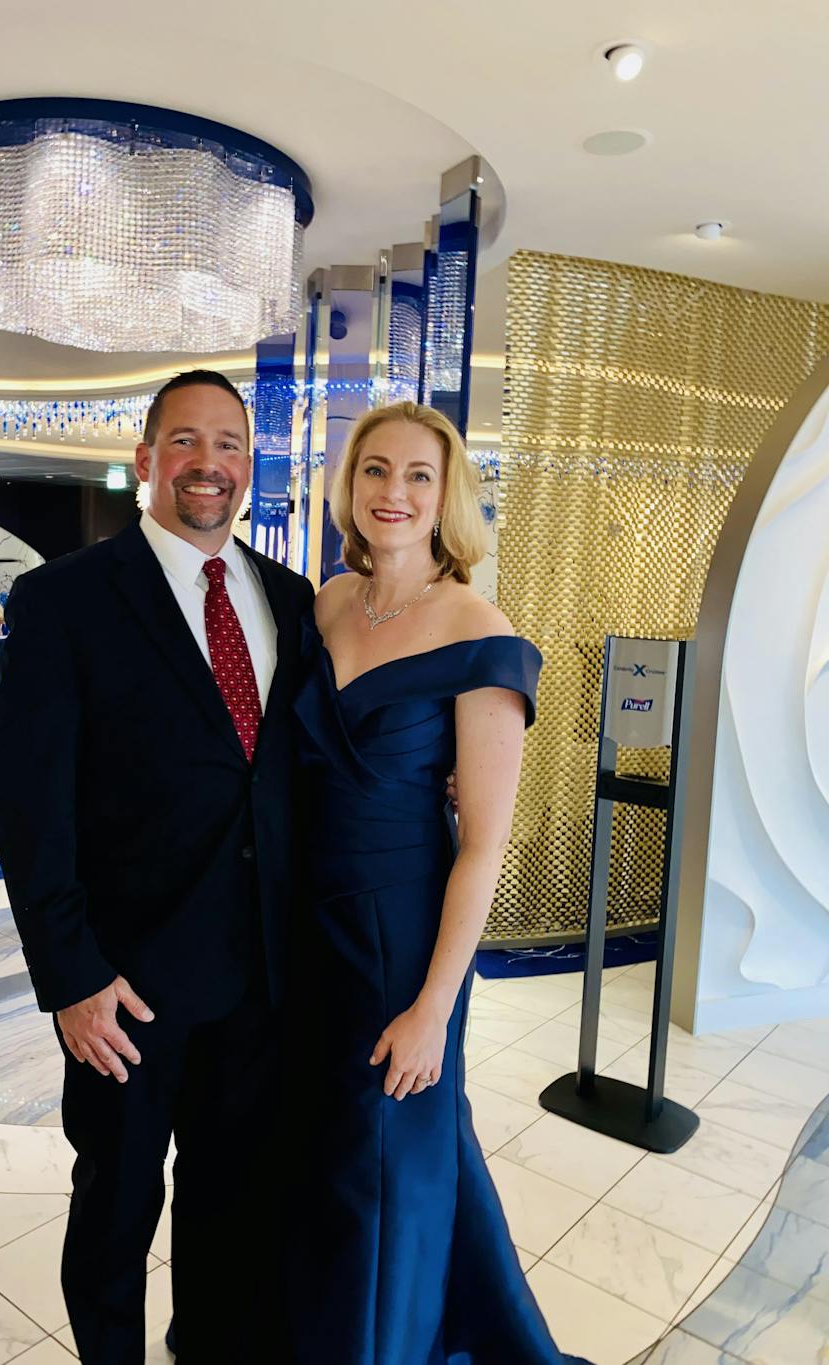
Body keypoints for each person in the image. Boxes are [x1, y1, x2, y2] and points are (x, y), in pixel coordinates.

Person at [0, 370, 312, 1365]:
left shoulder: (292, 600)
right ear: (145, 459)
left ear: (249, 465)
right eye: (185, 441)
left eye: (228, 444)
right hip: (125, 987)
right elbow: (29, 805)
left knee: (232, 1203)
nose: (208, 464)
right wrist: (71, 977)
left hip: (258, 984)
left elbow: (304, 769)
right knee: (116, 1209)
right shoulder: (65, 599)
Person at [290, 401, 591, 1364]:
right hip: (307, 927)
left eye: (420, 474)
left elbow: (484, 846)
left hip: (402, 936)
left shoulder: (478, 630)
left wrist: (433, 1008)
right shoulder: (327, 604)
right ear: (350, 486)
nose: (395, 492)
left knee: (388, 1158)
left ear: (447, 495)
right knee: (339, 1150)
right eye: (376, 470)